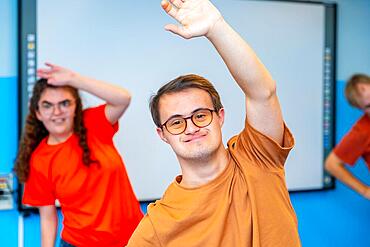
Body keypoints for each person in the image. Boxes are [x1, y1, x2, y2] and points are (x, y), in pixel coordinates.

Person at [127, 0, 301, 246]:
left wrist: (216, 27)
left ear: (220, 116)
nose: (191, 127)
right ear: (162, 134)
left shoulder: (257, 158)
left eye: (200, 115)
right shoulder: (158, 224)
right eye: (176, 122)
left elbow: (263, 93)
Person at [14, 63, 143, 247]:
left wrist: (75, 79)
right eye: (47, 106)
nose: (57, 112)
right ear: (38, 113)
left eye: (64, 103)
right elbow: (48, 219)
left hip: (134, 240)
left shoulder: (94, 123)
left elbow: (123, 98)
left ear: (76, 106)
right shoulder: (39, 160)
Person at [325, 74, 370, 200]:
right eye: (369, 106)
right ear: (360, 108)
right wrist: (365, 191)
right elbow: (331, 164)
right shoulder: (362, 131)